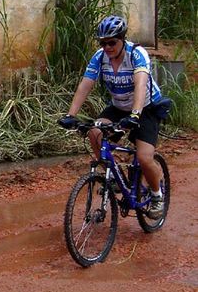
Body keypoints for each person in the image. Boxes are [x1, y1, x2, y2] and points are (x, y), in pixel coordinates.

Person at [59, 15, 165, 219]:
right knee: (94, 133)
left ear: (122, 39)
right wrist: (70, 115)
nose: (107, 47)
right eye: (103, 42)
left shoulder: (136, 54)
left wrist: (135, 115)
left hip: (145, 107)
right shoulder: (100, 57)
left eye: (111, 42)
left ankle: (156, 194)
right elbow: (86, 84)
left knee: (143, 157)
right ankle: (115, 177)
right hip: (117, 106)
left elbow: (140, 85)